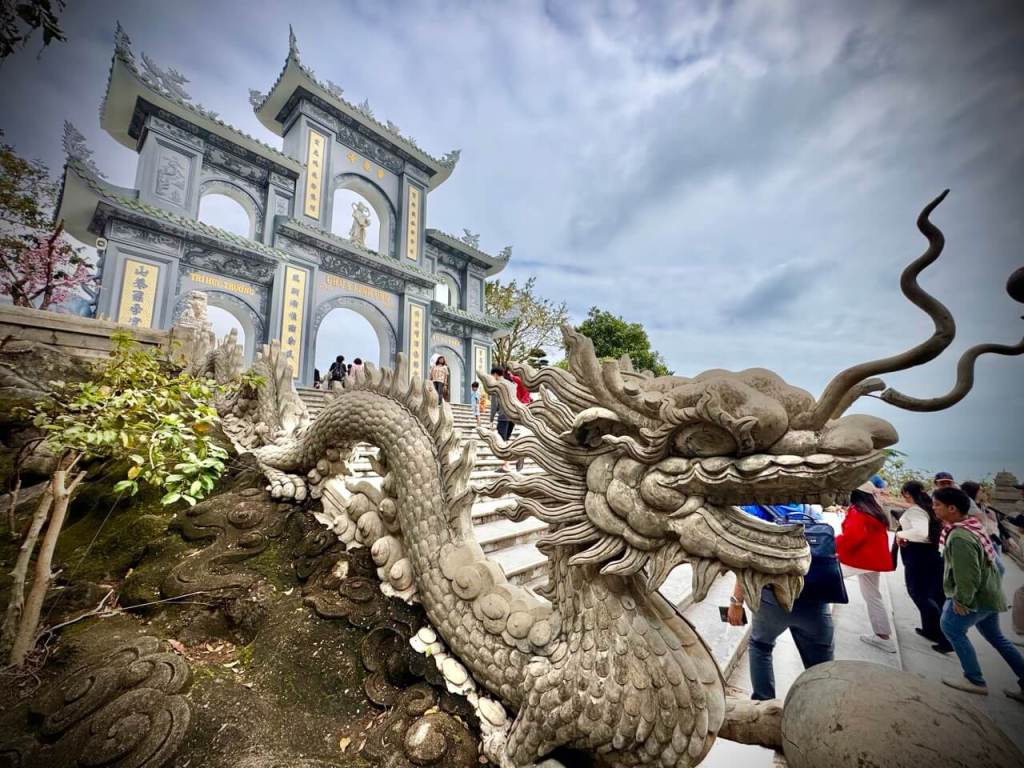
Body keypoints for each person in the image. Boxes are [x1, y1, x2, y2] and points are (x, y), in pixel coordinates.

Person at [728, 504, 835, 700]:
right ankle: (819, 705)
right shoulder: (812, 513)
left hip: (772, 598)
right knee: (822, 663)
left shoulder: (755, 511)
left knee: (760, 646)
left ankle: (763, 702)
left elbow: (746, 563)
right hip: (814, 600)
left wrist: (736, 602)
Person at [932, 486, 1024, 702]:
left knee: (951, 627)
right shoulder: (974, 526)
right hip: (990, 594)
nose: (933, 508)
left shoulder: (960, 537)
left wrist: (963, 600)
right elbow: (998, 565)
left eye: (937, 504)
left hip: (976, 596)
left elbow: (968, 575)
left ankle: (974, 679)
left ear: (952, 508)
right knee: (997, 637)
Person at [836, 481, 897, 653]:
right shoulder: (874, 511)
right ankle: (883, 637)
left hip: (861, 560)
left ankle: (809, 617)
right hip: (874, 560)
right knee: (872, 596)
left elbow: (851, 537)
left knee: (824, 579)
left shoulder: (858, 512)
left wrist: (833, 545)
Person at [896, 481, 952, 652]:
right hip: (929, 554)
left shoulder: (916, 510)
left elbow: (921, 533)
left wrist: (900, 534)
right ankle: (931, 629)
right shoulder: (927, 508)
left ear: (907, 493)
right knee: (931, 594)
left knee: (918, 593)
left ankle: (944, 635)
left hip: (919, 555)